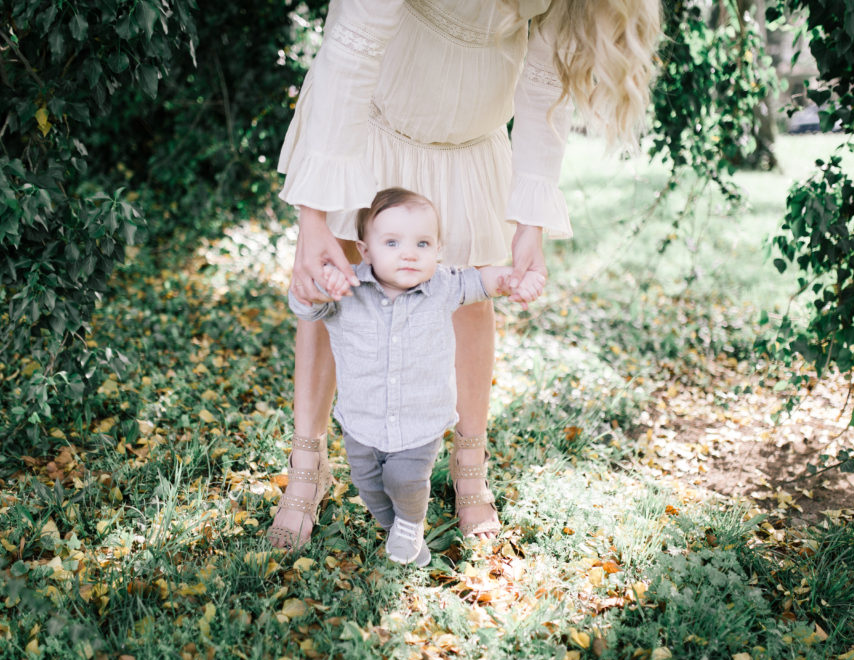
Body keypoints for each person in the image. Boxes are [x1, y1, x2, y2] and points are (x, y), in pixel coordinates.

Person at [267, 0, 663, 549]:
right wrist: (313, 217)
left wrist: (531, 224)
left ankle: (468, 464)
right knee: (333, 289)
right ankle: (307, 465)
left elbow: (544, 78)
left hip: (468, 150)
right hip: (371, 126)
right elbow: (351, 48)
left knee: (471, 306)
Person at [280, 187, 535, 563]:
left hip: (420, 424)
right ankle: (395, 529)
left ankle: (411, 523)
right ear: (366, 251)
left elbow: (481, 281)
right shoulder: (347, 288)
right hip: (361, 423)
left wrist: (511, 280)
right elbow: (305, 308)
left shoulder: (443, 286)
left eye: (422, 243)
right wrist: (317, 290)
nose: (409, 253)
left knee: (404, 480)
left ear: (437, 249)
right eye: (393, 242)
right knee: (367, 484)